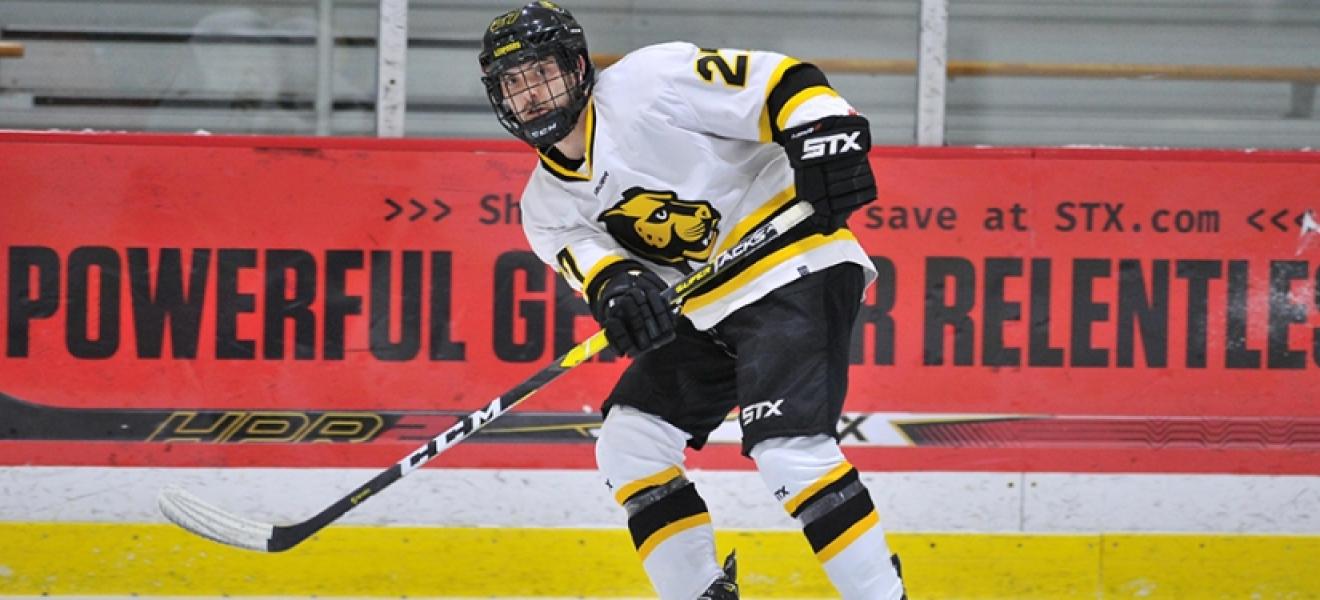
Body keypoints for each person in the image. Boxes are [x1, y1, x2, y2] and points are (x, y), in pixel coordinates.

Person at [478, 3, 906, 599]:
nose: (530, 93)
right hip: (708, 307)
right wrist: (623, 297)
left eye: (540, 71)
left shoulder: (650, 84)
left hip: (794, 264)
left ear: (577, 67)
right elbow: (607, 276)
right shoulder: (544, 209)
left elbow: (784, 83)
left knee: (789, 453)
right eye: (513, 83)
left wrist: (823, 130)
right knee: (628, 443)